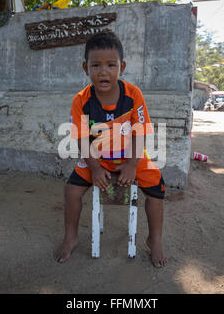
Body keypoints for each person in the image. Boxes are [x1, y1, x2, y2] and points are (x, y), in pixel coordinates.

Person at [54, 31, 167, 268]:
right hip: (98, 158)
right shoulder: (81, 100)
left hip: (131, 155)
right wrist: (94, 167)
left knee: (157, 189)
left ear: (121, 67)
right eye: (96, 65)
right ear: (86, 68)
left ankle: (154, 239)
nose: (103, 71)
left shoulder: (133, 95)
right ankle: (71, 237)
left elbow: (140, 132)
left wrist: (132, 165)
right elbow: (83, 140)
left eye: (110, 65)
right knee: (71, 190)